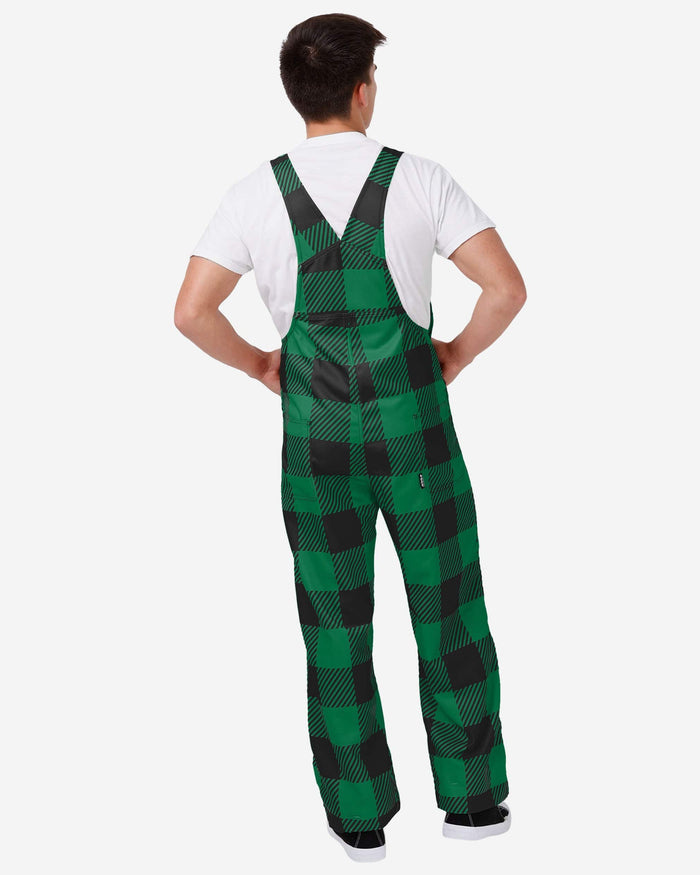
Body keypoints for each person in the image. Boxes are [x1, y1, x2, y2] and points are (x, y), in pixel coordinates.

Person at [174, 12, 526, 863]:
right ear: (365, 88)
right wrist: (454, 355)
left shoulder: (252, 194)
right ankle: (474, 804)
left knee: (335, 626)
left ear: (296, 93)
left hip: (316, 446)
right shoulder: (421, 179)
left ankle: (359, 819)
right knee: (450, 611)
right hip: (417, 440)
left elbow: (190, 312)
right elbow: (506, 289)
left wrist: (260, 364)